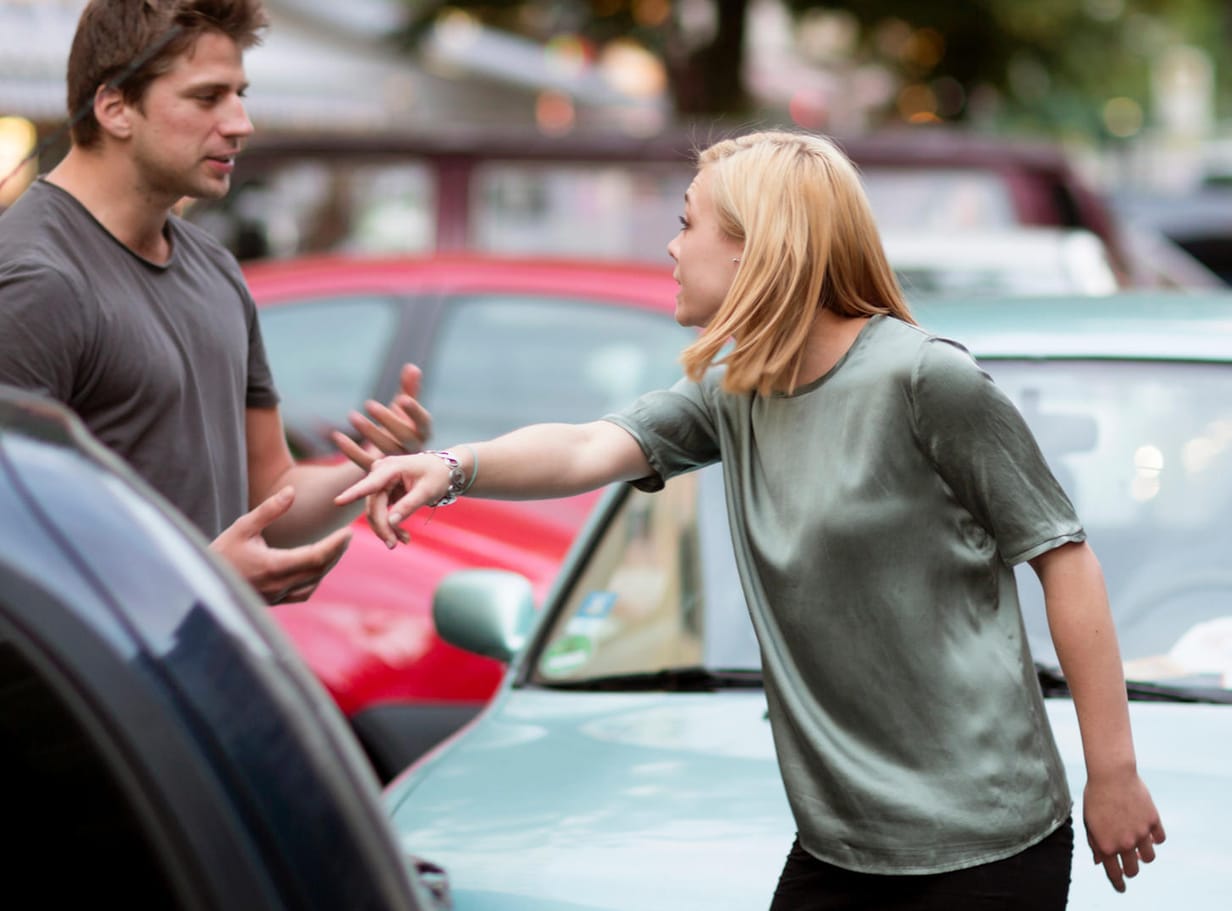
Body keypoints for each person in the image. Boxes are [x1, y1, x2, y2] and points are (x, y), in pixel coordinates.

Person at [335, 130, 1165, 909]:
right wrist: (450, 468)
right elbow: (588, 446)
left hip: (985, 850)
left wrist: (1113, 771)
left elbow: (1064, 556)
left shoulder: (924, 382)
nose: (670, 245)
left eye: (687, 222)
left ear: (756, 245)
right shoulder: (737, 393)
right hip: (839, 848)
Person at [0, 0, 429, 605]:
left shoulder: (216, 269)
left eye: (240, 94)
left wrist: (367, 473)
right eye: (208, 98)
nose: (240, 123)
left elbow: (271, 495)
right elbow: (17, 558)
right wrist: (196, 580)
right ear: (115, 106)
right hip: (79, 699)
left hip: (197, 679)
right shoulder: (34, 279)